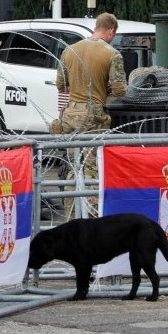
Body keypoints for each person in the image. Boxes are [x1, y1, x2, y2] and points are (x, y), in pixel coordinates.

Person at [53, 12, 127, 216]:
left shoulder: (70, 50)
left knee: (72, 167)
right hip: (94, 116)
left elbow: (61, 84)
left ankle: (70, 215)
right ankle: (92, 218)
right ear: (111, 31)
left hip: (70, 114)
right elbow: (120, 90)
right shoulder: (112, 54)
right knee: (92, 168)